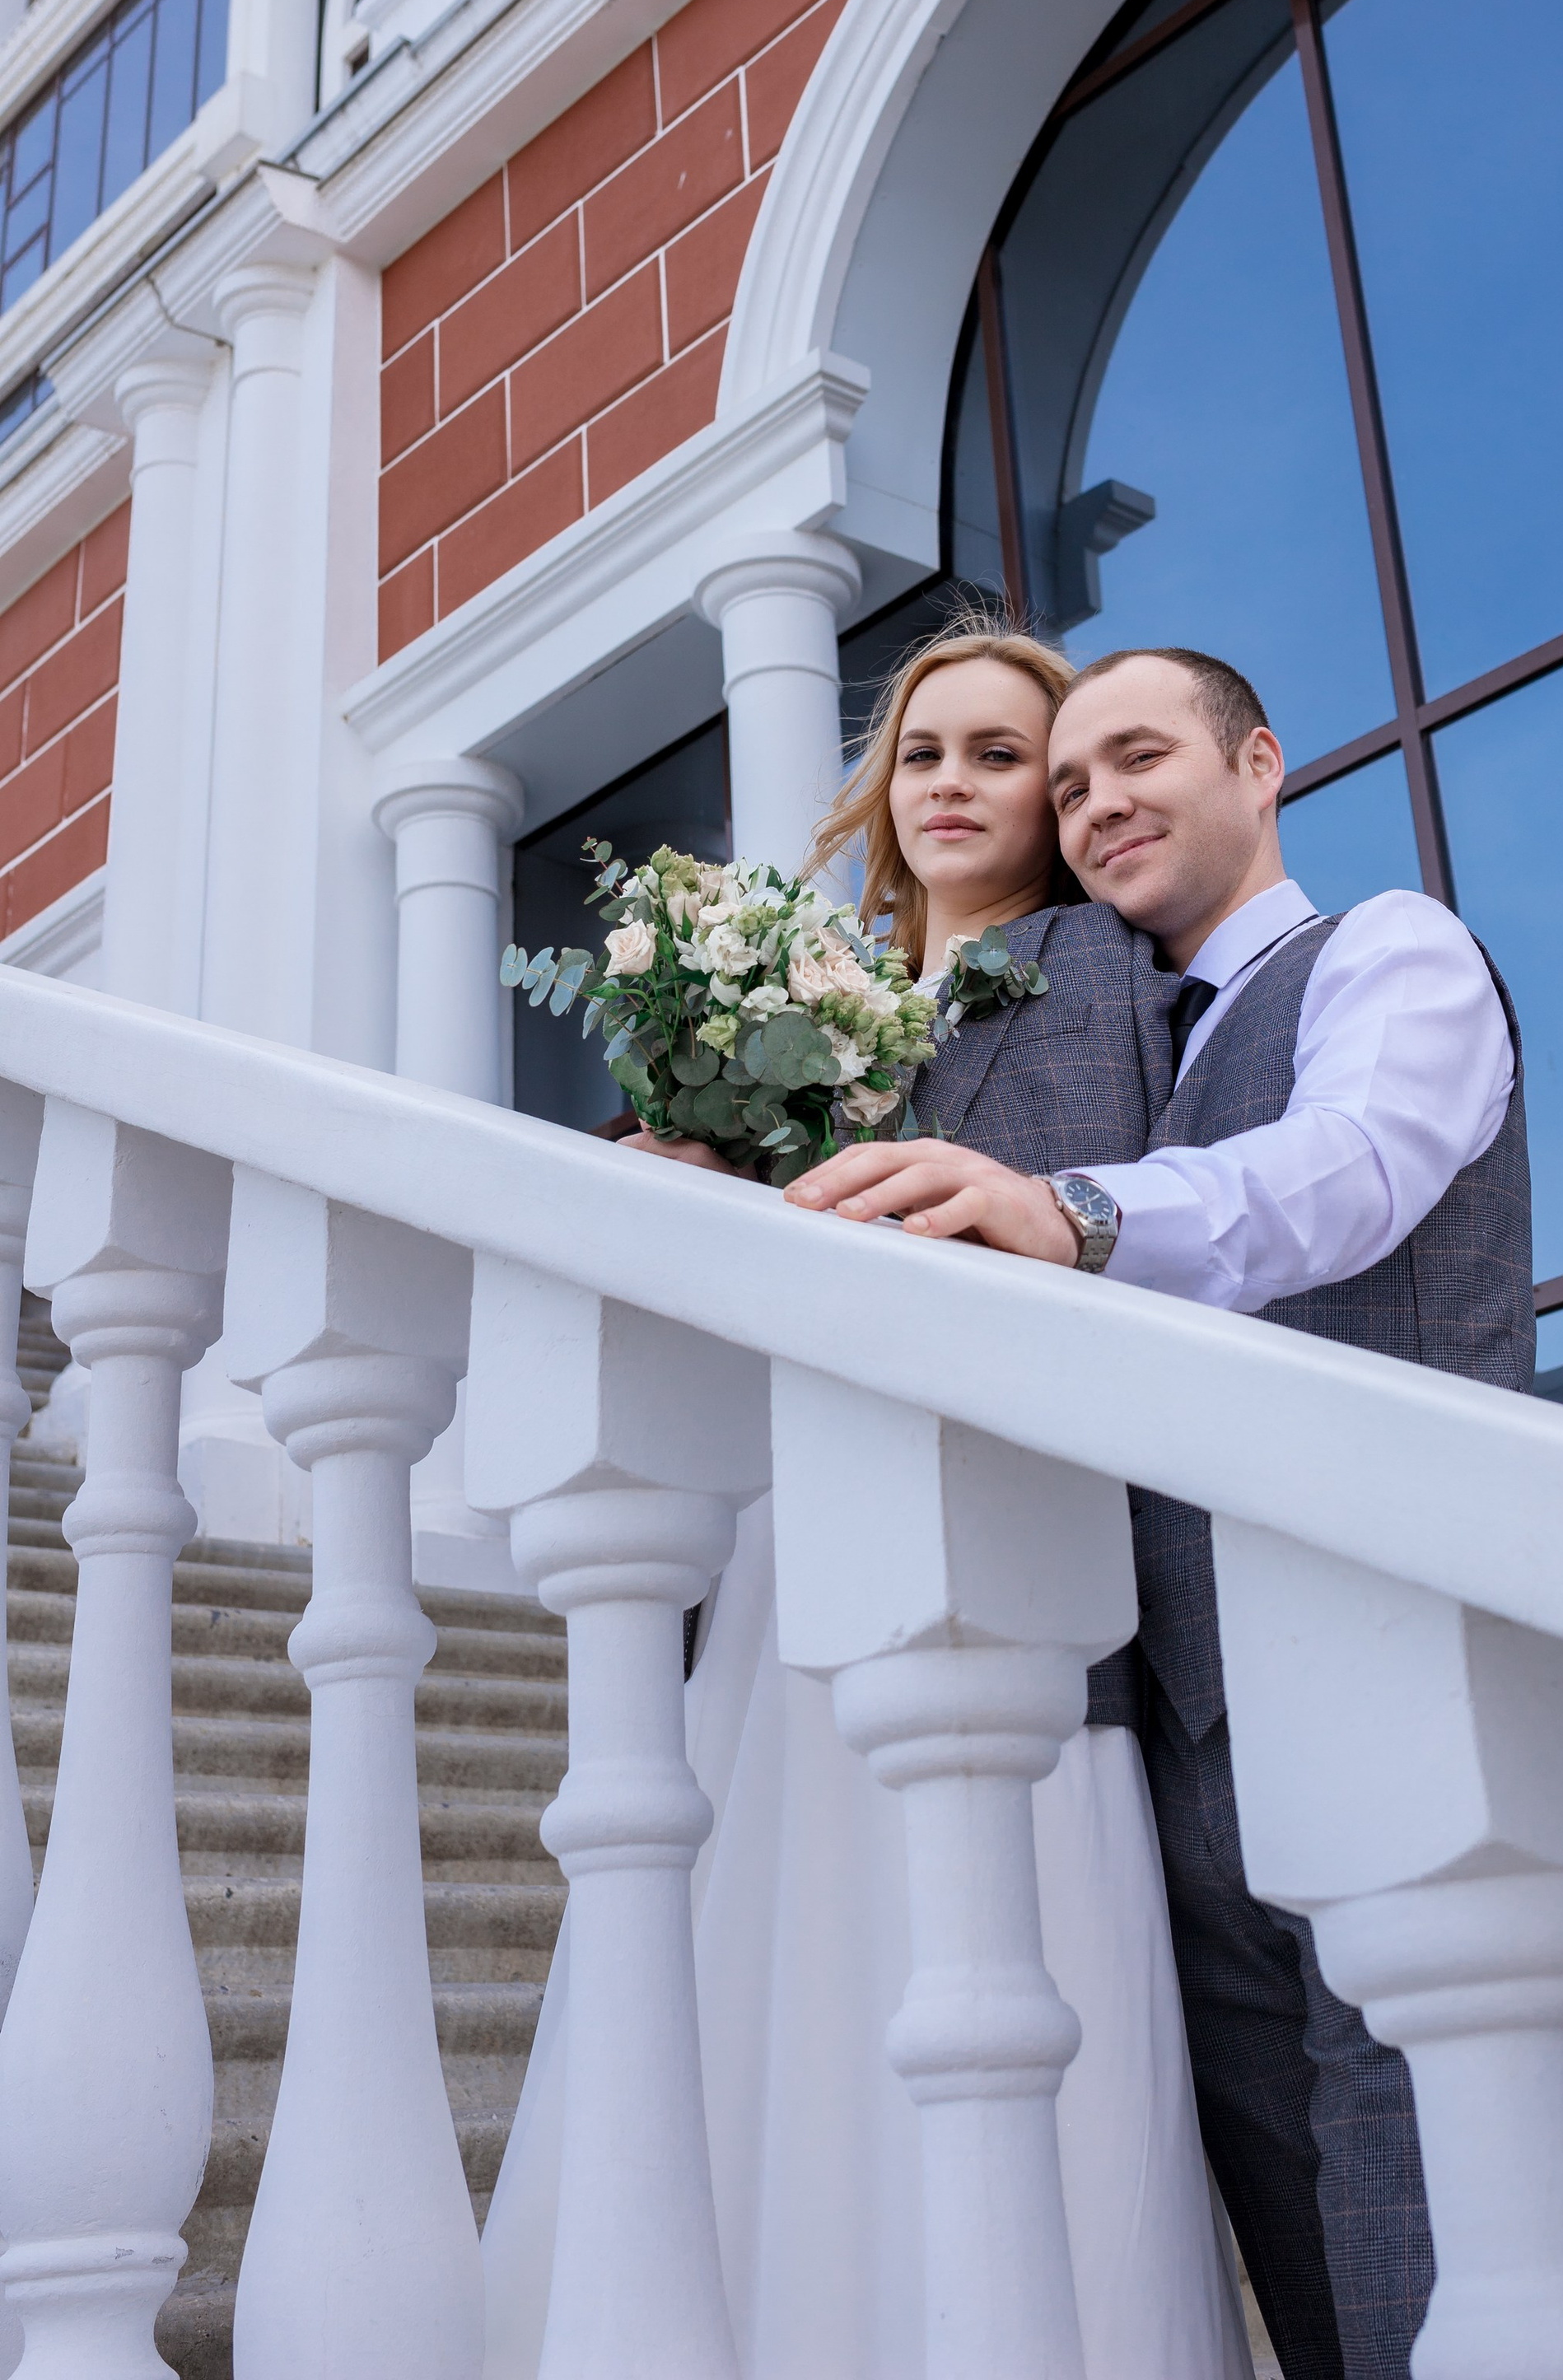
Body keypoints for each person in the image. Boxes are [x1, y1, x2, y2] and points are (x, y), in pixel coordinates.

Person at [482, 625, 1253, 2380]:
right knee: (765, 1977)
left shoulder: (1078, 966)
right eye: (925, 754)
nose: (955, 785)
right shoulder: (803, 1000)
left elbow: (1032, 1260)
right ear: (881, 793)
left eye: (1002, 756)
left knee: (971, 1946)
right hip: (788, 1548)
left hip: (978, 1534)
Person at [791, 644, 1532, 2380]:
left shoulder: (1388, 951)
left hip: (1377, 1639)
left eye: (1134, 759)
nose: (1094, 802)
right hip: (1173, 1711)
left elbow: (1343, 1175)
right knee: (1292, 2210)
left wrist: (1075, 1218)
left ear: (1257, 765)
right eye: (1070, 785)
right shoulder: (1102, 1028)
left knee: (1421, 2166)